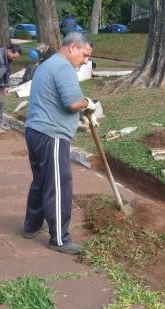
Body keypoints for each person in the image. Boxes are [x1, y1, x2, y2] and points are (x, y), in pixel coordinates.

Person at [22, 32, 96, 254]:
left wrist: (80, 116)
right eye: (85, 55)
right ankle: (60, 239)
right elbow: (73, 103)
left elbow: (55, 101)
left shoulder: (48, 64)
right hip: (51, 135)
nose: (85, 61)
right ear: (73, 47)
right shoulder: (63, 67)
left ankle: (31, 226)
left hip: (36, 131)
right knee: (58, 185)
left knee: (41, 182)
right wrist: (88, 104)